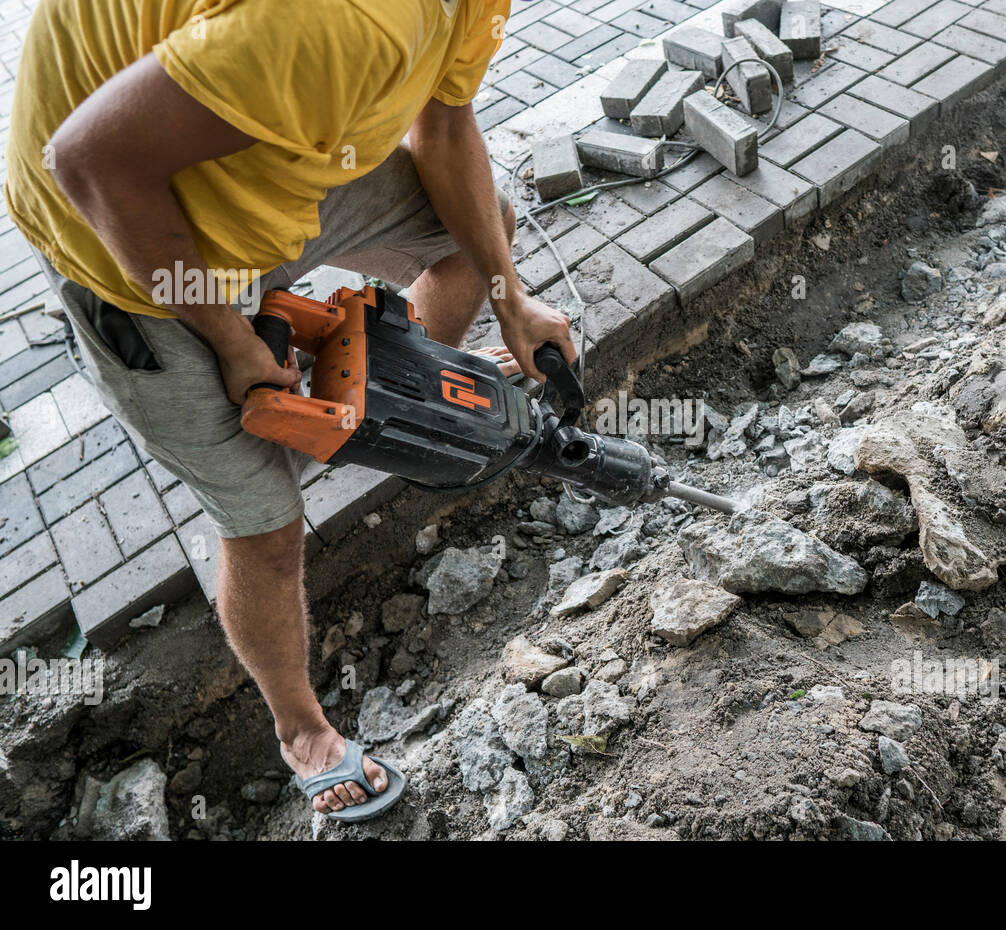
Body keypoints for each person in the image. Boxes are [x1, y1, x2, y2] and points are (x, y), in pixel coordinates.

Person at [5, 0, 577, 821]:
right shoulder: (348, 20)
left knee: (480, 238)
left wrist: (508, 294)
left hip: (254, 151)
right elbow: (92, 163)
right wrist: (234, 341)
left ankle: (383, 398)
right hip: (124, 228)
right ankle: (302, 731)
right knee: (266, 524)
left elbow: (445, 130)